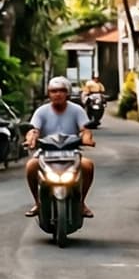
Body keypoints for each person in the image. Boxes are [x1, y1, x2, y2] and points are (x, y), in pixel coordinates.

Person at [24, 75, 94, 218]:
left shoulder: (77, 110)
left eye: (61, 90)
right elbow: (33, 130)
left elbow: (85, 129)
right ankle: (38, 202)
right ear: (49, 93)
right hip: (45, 153)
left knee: (88, 165)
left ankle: (81, 202)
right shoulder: (41, 111)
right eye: (54, 91)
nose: (58, 94)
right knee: (31, 166)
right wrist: (31, 139)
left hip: (71, 152)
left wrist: (87, 139)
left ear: (67, 93)